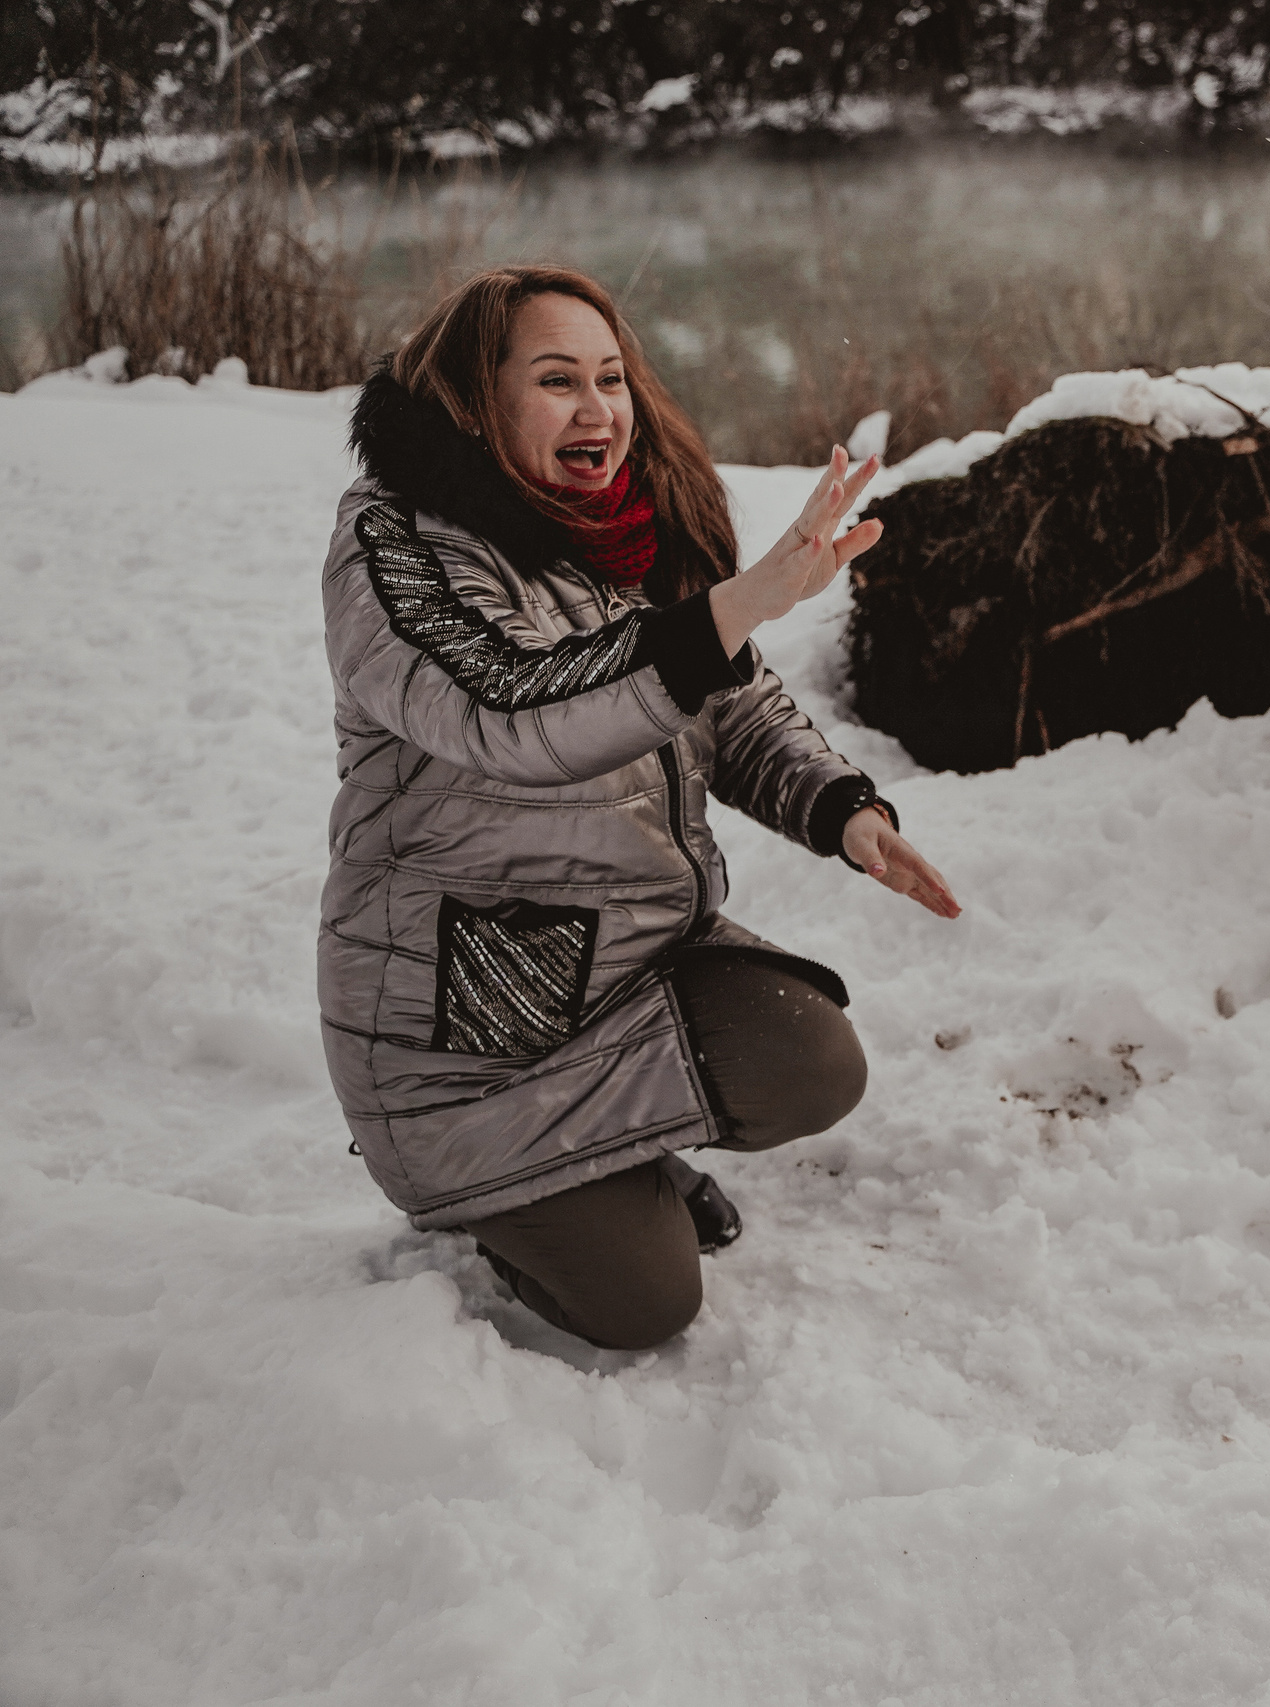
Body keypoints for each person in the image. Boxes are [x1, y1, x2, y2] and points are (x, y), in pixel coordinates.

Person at [319, 265, 961, 1351]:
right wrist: (740, 600)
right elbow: (512, 712)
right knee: (646, 1309)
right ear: (475, 402)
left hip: (622, 967)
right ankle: (501, 1200)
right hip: (460, 1043)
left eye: (611, 378)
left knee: (809, 1056)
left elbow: (725, 697)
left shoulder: (619, 526)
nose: (598, 409)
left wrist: (843, 811)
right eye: (558, 379)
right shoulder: (398, 547)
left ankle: (609, 1154)